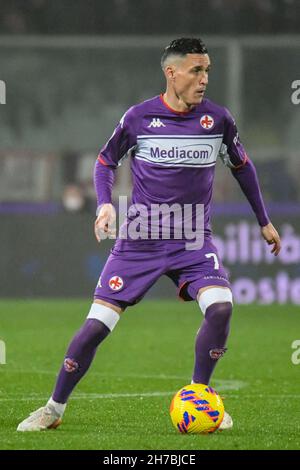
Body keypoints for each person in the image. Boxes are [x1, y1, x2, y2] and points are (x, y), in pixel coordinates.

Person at [17, 37, 281, 432]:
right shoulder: (139, 118)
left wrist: (263, 219)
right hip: (140, 238)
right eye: (196, 70)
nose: (204, 78)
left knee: (222, 305)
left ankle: (199, 397)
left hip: (193, 237)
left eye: (207, 70)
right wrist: (104, 203)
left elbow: (243, 167)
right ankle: (54, 409)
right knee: (96, 326)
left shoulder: (217, 120)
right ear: (171, 73)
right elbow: (106, 161)